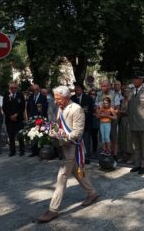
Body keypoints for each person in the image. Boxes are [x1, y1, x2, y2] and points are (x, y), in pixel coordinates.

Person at [37, 86, 98, 223]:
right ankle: (92, 193)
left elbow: (77, 133)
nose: (56, 101)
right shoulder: (61, 107)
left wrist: (62, 137)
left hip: (73, 147)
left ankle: (53, 210)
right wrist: (48, 130)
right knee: (77, 172)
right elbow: (58, 125)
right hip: (63, 146)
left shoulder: (76, 109)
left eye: (58, 99)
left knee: (62, 176)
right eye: (56, 98)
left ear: (66, 97)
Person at [128, 75, 144, 175]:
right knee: (136, 146)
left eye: (136, 79)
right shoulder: (131, 91)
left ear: (141, 80)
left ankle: (143, 165)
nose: (134, 80)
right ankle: (137, 164)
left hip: (143, 124)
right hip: (133, 123)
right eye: (134, 78)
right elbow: (129, 107)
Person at [71, 82, 93, 163]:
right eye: (76, 88)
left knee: (86, 140)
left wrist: (85, 113)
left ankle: (86, 157)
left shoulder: (88, 98)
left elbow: (91, 110)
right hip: (75, 124)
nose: (77, 90)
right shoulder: (72, 98)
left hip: (86, 123)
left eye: (78, 88)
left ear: (82, 89)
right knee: (76, 140)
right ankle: (77, 156)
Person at [2, 82, 26, 157]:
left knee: (20, 135)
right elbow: (4, 107)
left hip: (18, 119)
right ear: (9, 88)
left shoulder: (20, 95)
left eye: (15, 88)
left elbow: (22, 106)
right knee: (11, 136)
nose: (13, 89)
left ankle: (22, 150)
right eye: (11, 88)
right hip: (9, 119)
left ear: (17, 88)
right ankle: (12, 151)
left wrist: (16, 115)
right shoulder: (6, 96)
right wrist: (10, 116)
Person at [26, 84, 49, 157]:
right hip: (32, 119)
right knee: (32, 134)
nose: (34, 91)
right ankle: (34, 151)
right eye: (33, 90)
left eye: (36, 90)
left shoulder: (43, 97)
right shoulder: (31, 97)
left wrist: (42, 116)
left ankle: (41, 151)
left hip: (41, 118)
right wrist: (29, 117)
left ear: (39, 89)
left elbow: (46, 108)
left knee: (40, 134)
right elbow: (28, 108)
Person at [117, 86, 133, 163]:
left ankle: (131, 157)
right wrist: (120, 112)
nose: (125, 92)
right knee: (122, 138)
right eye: (124, 91)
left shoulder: (132, 101)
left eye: (127, 91)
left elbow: (130, 112)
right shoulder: (121, 100)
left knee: (129, 139)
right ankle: (124, 156)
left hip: (130, 121)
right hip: (122, 121)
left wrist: (121, 112)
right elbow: (119, 111)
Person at [89, 89, 100, 156]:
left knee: (94, 136)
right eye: (91, 94)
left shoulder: (97, 102)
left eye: (94, 94)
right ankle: (88, 150)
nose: (92, 95)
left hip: (95, 122)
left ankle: (94, 150)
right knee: (88, 136)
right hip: (89, 121)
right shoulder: (88, 101)